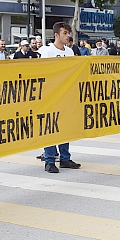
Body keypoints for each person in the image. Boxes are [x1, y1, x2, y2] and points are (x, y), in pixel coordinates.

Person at [41, 22, 81, 173]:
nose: (67, 36)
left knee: (65, 126)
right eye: (64, 33)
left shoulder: (69, 52)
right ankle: (49, 160)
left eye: (68, 33)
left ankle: (65, 158)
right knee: (51, 127)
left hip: (66, 94)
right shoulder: (47, 52)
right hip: (51, 95)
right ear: (56, 35)